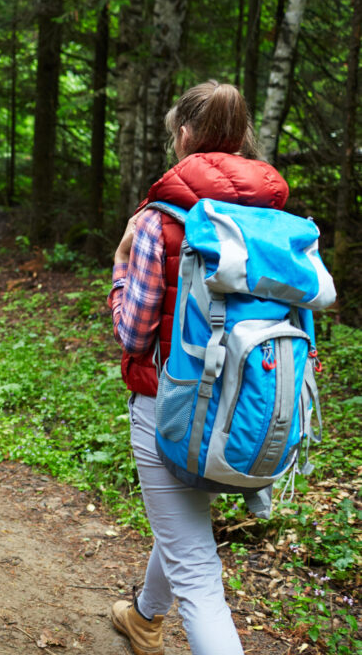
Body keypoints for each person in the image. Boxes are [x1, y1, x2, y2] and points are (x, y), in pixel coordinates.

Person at [107, 80, 289, 655]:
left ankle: (157, 618)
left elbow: (134, 333)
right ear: (241, 138)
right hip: (251, 403)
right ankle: (143, 617)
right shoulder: (275, 221)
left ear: (183, 135)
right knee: (185, 524)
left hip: (172, 405)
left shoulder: (160, 220)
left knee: (199, 579)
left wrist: (118, 274)